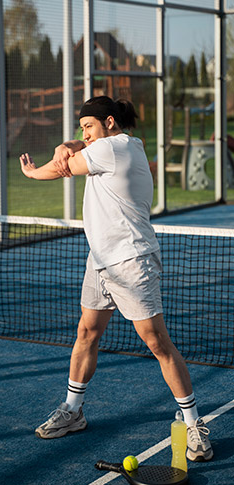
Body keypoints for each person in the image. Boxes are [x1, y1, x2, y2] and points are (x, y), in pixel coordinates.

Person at [19, 96, 212, 461]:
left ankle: (193, 424)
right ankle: (73, 410)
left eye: (88, 127)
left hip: (132, 261)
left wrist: (33, 171)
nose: (84, 135)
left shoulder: (113, 148)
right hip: (101, 260)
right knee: (86, 333)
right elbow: (77, 151)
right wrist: (70, 144)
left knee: (157, 342)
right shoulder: (125, 144)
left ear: (109, 123)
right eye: (82, 130)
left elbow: (60, 169)